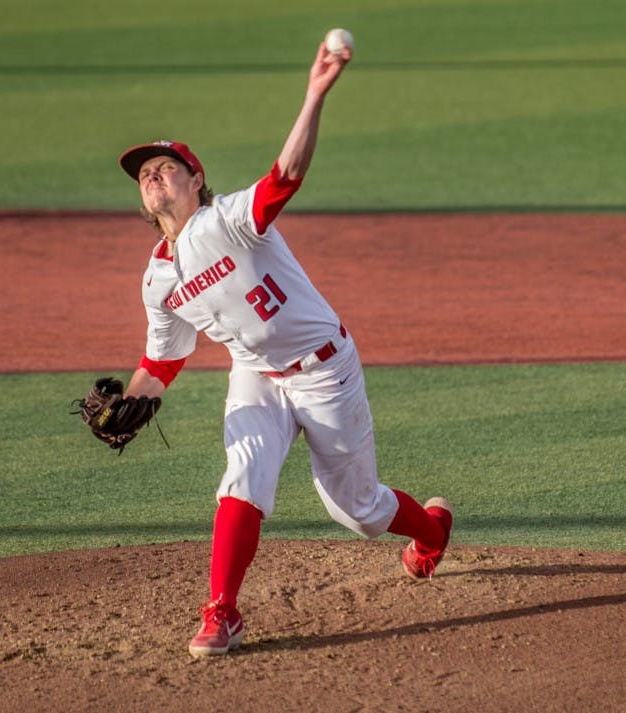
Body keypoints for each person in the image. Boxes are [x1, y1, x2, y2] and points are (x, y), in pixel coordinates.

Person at [115, 39, 453, 658]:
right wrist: (129, 402)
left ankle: (431, 532)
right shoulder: (157, 277)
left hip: (325, 368)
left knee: (358, 510)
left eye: (165, 167)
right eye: (144, 175)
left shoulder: (231, 219)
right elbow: (162, 358)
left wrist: (315, 95)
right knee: (242, 478)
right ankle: (221, 612)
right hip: (256, 375)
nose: (153, 177)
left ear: (197, 180)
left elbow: (285, 177)